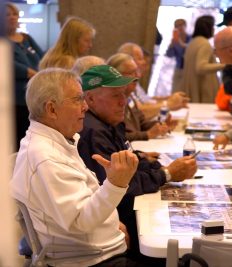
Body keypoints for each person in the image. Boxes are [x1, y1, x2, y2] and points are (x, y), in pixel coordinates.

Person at [9, 68, 148, 267]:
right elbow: (80, 220)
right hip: (89, 260)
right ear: (51, 109)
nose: (85, 107)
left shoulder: (58, 141)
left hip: (99, 250)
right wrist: (116, 184)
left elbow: (80, 203)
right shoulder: (45, 157)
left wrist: (111, 224)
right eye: (77, 99)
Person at [77, 65, 197, 265]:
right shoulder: (94, 132)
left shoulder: (107, 122)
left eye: (123, 94)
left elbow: (128, 163)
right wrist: (167, 174)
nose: (124, 102)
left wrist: (156, 168)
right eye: (116, 95)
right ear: (89, 99)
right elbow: (124, 185)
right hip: (121, 223)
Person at [107, 52, 177, 141]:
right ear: (117, 75)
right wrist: (147, 134)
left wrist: (161, 125)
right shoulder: (111, 102)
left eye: (137, 71)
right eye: (132, 73)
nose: (138, 76)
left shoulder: (130, 97)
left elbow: (142, 123)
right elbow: (117, 137)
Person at [6, 3, 44, 150]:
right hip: (16, 98)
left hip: (35, 95)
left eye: (14, 14)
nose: (11, 17)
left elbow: (42, 57)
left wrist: (42, 73)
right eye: (7, 15)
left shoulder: (26, 37)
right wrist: (32, 73)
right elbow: (10, 65)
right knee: (18, 139)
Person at [118, 42, 189, 119]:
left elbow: (145, 102)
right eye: (140, 58)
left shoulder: (132, 81)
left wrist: (168, 100)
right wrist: (168, 104)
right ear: (127, 61)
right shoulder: (121, 83)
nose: (144, 62)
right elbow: (138, 112)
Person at [180, 15, 225, 103]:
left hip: (192, 90)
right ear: (208, 28)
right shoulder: (204, 44)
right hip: (203, 92)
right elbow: (200, 67)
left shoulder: (193, 43)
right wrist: (225, 65)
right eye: (213, 27)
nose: (214, 30)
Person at [166, 18, 191, 92]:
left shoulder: (191, 38)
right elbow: (169, 55)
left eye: (181, 25)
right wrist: (172, 45)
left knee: (187, 91)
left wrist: (180, 43)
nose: (179, 28)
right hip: (178, 68)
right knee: (175, 90)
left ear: (185, 26)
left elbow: (191, 50)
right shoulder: (175, 40)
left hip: (189, 69)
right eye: (176, 26)